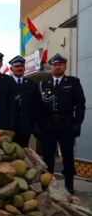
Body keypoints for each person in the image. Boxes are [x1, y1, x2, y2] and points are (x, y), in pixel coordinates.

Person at [35, 53, 86, 194]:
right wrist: (38, 126)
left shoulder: (73, 82)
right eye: (55, 65)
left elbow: (80, 104)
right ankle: (50, 185)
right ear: (51, 67)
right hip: (48, 125)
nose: (57, 67)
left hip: (66, 125)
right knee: (48, 157)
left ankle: (69, 185)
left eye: (60, 65)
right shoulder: (44, 84)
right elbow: (38, 107)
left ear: (65, 66)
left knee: (68, 156)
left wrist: (77, 123)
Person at [8, 55, 39, 148]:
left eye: (22, 66)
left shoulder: (32, 84)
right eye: (17, 66)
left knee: (24, 151)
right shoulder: (6, 83)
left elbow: (36, 106)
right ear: (11, 69)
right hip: (10, 126)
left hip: (26, 126)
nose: (20, 68)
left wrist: (35, 125)